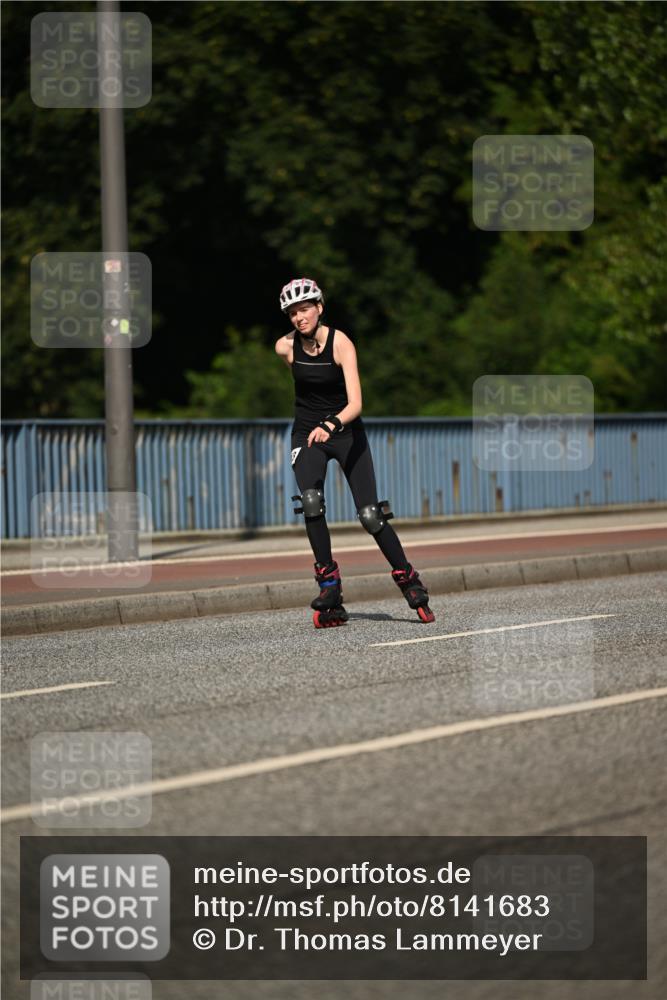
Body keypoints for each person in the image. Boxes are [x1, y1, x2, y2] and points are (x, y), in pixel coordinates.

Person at [275, 276, 435, 628]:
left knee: (370, 515)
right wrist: (316, 427)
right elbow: (306, 391)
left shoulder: (341, 343)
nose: (299, 317)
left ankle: (409, 580)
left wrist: (331, 424)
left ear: (319, 307)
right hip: (307, 433)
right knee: (312, 501)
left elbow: (356, 403)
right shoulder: (285, 347)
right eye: (292, 313)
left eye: (304, 309)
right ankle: (329, 587)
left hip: (345, 432)